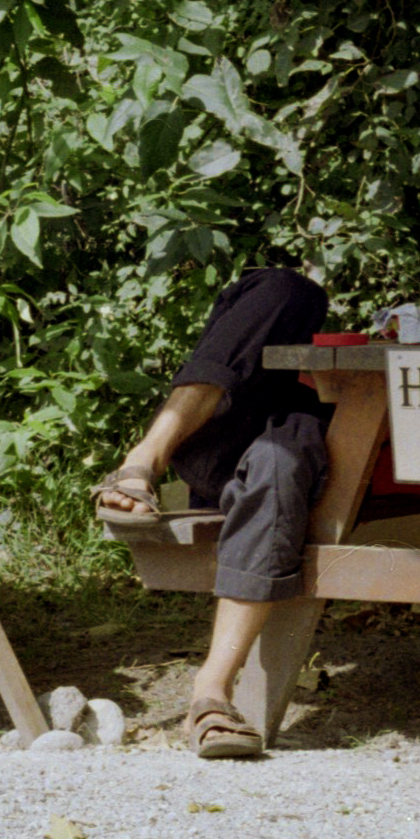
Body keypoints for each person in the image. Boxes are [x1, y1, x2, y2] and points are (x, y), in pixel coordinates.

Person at [92, 267, 331, 758]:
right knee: (290, 290)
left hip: (310, 442)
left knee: (279, 459)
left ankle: (210, 694)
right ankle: (142, 459)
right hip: (220, 435)